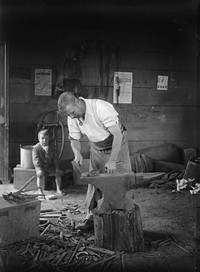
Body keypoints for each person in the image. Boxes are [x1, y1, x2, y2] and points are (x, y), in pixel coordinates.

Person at [58, 92, 132, 230]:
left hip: (117, 143)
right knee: (94, 180)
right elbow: (74, 139)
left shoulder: (101, 108)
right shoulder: (72, 117)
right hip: (97, 146)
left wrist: (113, 160)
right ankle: (90, 217)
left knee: (120, 178)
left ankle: (122, 217)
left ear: (77, 102)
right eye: (69, 115)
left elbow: (117, 135)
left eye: (73, 112)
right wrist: (77, 153)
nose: (72, 117)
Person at [32, 129, 62, 197]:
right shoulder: (36, 148)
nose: (44, 141)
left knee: (58, 173)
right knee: (40, 175)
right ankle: (40, 191)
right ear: (39, 139)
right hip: (41, 166)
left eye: (46, 138)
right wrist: (39, 169)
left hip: (50, 165)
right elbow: (36, 160)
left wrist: (57, 168)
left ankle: (58, 189)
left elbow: (55, 158)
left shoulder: (52, 147)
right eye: (42, 138)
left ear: (49, 139)